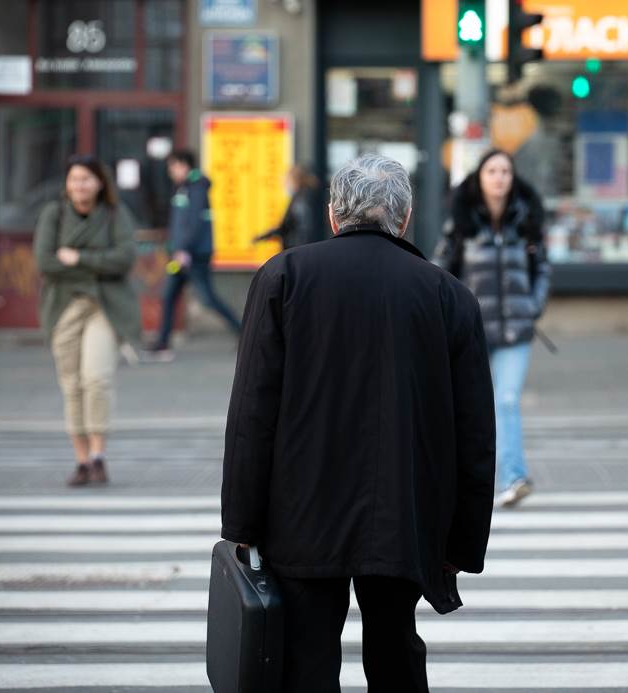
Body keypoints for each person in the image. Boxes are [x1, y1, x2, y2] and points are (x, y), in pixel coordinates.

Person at [220, 154, 495, 692]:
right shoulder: (448, 296)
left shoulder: (284, 277)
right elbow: (475, 434)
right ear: (405, 218)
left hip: (300, 510)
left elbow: (252, 413)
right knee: (395, 650)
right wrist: (461, 544)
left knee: (305, 658)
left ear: (332, 214)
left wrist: (241, 525)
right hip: (404, 509)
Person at [433, 149, 549, 509]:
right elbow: (440, 271)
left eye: (505, 171)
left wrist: (533, 306)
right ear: (479, 178)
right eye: (492, 171)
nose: (499, 177)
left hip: (516, 331)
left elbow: (542, 269)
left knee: (507, 400)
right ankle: (460, 483)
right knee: (468, 407)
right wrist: (451, 315)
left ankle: (514, 477)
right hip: (474, 332)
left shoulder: (525, 221)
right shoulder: (461, 223)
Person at [34, 155, 141, 487]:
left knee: (97, 379)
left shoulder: (115, 214)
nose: (79, 185)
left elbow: (125, 259)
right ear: (66, 184)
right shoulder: (54, 214)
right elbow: (45, 262)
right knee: (71, 384)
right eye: (74, 179)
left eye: (86, 179)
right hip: (64, 307)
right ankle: (81, 460)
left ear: (99, 183)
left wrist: (78, 257)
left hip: (104, 306)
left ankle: (98, 457)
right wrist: (98, 266)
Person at [147, 149, 241, 361]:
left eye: (173, 167)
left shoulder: (197, 187)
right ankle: (162, 343)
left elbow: (194, 223)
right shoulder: (184, 187)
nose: (171, 172)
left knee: (208, 299)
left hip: (192, 256)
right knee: (168, 296)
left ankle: (244, 332)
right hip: (180, 256)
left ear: (183, 165)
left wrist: (183, 249)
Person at [253, 164, 320, 249]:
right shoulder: (301, 197)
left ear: (294, 181)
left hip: (297, 249)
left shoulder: (301, 200)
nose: (283, 184)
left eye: (286, 181)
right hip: (298, 248)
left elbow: (299, 229)